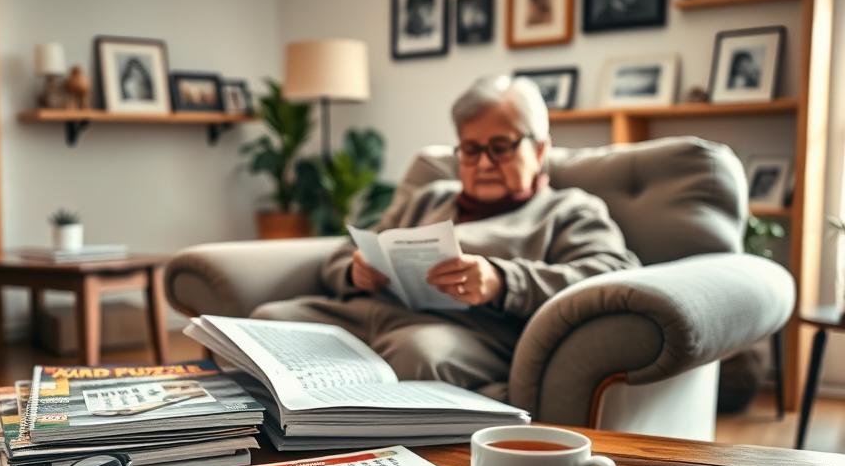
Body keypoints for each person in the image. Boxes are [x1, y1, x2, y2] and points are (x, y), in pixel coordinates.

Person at [251, 75, 640, 398]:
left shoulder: (569, 210)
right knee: (267, 324)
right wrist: (355, 271)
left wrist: (503, 281)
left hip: (465, 334)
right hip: (366, 315)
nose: (484, 163)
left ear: (540, 150)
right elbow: (348, 250)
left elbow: (614, 273)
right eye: (471, 149)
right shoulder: (430, 197)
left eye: (500, 148)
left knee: (415, 353)